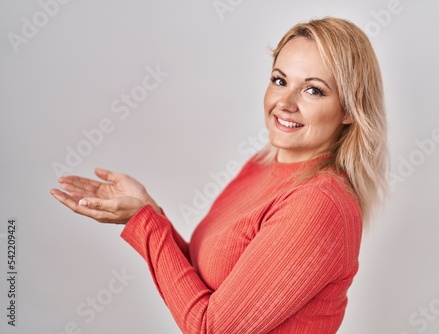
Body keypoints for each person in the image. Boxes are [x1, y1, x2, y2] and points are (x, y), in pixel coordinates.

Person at [50, 16, 387, 333]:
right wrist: (147, 211)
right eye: (279, 80)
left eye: (313, 90)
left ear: (349, 109)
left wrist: (144, 222)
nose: (284, 102)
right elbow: (203, 283)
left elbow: (211, 328)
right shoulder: (263, 164)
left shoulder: (319, 204)